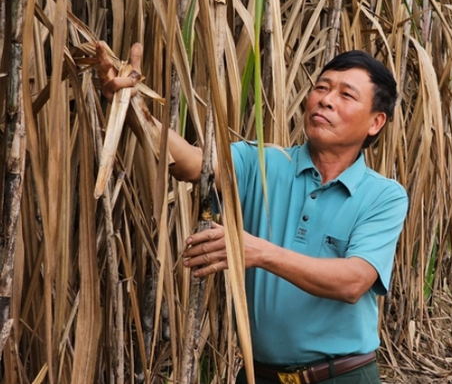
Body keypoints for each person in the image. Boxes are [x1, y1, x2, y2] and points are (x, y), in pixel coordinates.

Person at [97, 43, 409, 384]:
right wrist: (130, 107)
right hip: (259, 376)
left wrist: (259, 252)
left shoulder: (383, 195)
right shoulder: (260, 162)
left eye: (346, 95)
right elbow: (189, 164)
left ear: (376, 122)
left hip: (343, 377)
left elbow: (353, 282)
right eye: (321, 87)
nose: (326, 100)